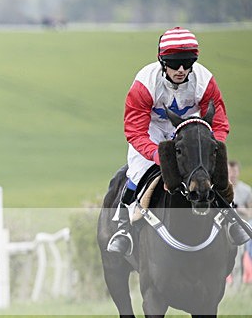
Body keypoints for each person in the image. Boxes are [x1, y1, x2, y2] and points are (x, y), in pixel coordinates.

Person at [106, 27, 251, 255]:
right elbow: (135, 129)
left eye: (187, 62)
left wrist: (210, 147)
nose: (182, 69)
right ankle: (124, 228)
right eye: (175, 63)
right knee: (137, 170)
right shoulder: (145, 83)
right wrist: (157, 154)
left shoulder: (205, 81)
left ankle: (230, 218)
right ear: (162, 61)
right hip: (151, 129)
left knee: (209, 169)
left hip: (191, 128)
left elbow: (220, 123)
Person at [228, 160, 252, 284]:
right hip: (224, 230)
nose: (232, 174)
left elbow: (250, 212)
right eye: (230, 171)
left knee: (238, 260)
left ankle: (237, 287)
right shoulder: (222, 189)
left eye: (235, 171)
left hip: (239, 229)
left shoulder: (246, 190)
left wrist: (242, 210)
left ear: (238, 172)